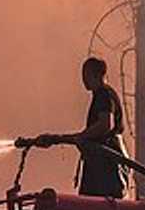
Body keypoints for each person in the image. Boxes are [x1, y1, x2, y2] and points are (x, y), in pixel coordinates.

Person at [27, 56, 131, 198]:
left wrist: (80, 137)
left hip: (106, 165)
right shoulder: (102, 95)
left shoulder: (103, 94)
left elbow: (105, 124)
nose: (83, 79)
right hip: (99, 163)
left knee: (97, 204)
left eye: (85, 74)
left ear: (93, 74)